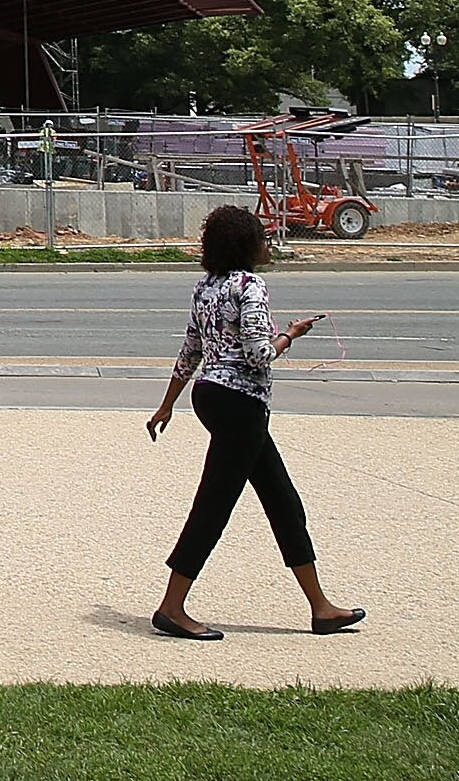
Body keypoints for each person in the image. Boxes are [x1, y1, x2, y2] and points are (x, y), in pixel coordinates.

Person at [145, 204, 362, 640]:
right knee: (213, 506)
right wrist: (291, 336)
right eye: (262, 238)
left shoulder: (205, 287)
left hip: (211, 396)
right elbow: (258, 353)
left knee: (283, 502)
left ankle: (321, 608)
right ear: (247, 246)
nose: (268, 244)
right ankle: (171, 607)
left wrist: (167, 403)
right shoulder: (251, 286)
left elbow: (190, 349)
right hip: (240, 403)